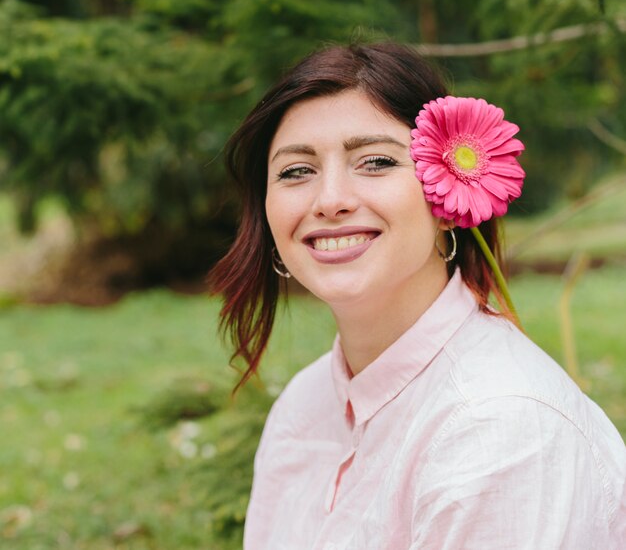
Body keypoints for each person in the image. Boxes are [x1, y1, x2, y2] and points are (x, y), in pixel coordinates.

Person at [209, 43, 626, 549]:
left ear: (451, 198)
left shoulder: (501, 429)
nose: (331, 200)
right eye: (297, 171)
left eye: (376, 161)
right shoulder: (303, 406)